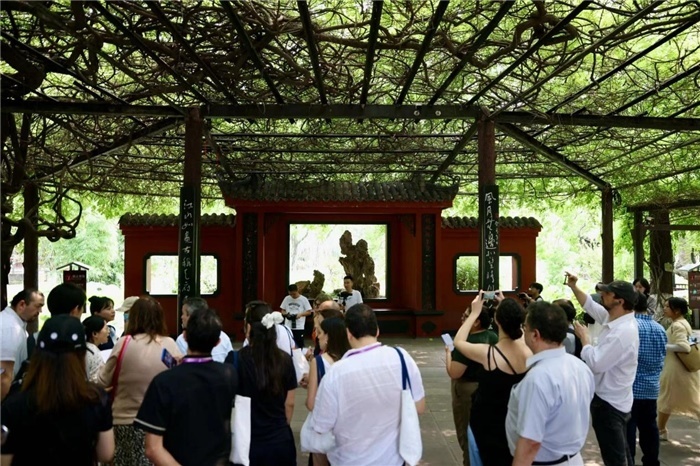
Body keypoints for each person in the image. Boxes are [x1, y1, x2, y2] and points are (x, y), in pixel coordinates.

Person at [312, 304, 426, 466]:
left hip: (350, 461)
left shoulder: (335, 373)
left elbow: (321, 426)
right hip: (393, 460)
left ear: (348, 333)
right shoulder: (402, 358)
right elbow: (419, 407)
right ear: (377, 330)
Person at [1, 314, 114, 465]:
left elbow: (4, 461)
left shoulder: (14, 403)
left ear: (37, 354)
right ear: (82, 354)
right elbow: (105, 454)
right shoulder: (96, 398)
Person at [135, 307, 238, 465]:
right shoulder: (229, 375)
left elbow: (153, 448)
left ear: (184, 336)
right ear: (218, 342)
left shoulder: (163, 382)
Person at [506, 301, 595, 466]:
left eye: (525, 327)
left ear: (535, 335)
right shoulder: (580, 367)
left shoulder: (537, 378)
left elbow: (531, 441)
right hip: (573, 459)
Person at [96, 296, 182, 466]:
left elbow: (102, 381)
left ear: (134, 317)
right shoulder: (169, 344)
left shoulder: (124, 343)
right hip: (160, 424)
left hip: (124, 422)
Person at [567, 274, 639, 466]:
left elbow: (596, 364)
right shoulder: (614, 318)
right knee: (621, 453)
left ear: (619, 301)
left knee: (615, 458)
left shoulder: (623, 331)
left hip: (609, 403)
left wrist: (585, 340)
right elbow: (589, 305)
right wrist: (574, 286)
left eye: (607, 293)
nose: (602, 295)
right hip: (613, 399)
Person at [454, 293, 531, 466]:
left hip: (487, 426)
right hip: (514, 421)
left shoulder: (489, 354)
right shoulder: (527, 349)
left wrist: (474, 313)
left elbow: (458, 341)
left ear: (496, 320)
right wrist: (506, 304)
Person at [230, 301, 297, 466]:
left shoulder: (236, 359)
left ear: (249, 328)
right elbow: (289, 403)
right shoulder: (285, 360)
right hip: (280, 440)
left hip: (247, 441)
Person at [445, 306, 497, 466]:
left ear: (476, 322)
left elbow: (454, 372)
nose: (462, 318)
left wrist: (448, 354)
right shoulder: (493, 336)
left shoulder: (466, 343)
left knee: (467, 434)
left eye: (466, 316)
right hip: (488, 388)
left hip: (467, 390)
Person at [627, 292, 666, 466]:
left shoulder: (630, 327)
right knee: (649, 429)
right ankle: (651, 461)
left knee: (628, 429)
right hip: (651, 388)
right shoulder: (659, 328)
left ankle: (628, 461)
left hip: (631, 387)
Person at [305, 317, 351, 466]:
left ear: (328, 336)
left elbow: (311, 403)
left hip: (324, 428)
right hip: (349, 427)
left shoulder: (319, 362)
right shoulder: (352, 360)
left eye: (320, 332)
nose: (317, 336)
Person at [657, 297, 700, 440]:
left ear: (676, 310)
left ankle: (661, 430)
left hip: (676, 370)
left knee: (667, 399)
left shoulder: (678, 326)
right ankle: (661, 430)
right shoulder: (682, 323)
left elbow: (684, 347)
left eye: (667, 307)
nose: (664, 309)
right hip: (680, 368)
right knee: (668, 400)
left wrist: (662, 346)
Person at [0, 289, 44, 400]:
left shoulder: (13, 324)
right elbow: (4, 377)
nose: (40, 311)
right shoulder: (11, 328)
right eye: (38, 306)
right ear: (22, 305)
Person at [175, 297, 233, 362]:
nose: (181, 317)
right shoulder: (224, 337)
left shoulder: (181, 339)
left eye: (183, 314)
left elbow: (183, 364)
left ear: (191, 316)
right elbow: (231, 361)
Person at [280, 284, 313, 350]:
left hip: (299, 326)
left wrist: (300, 315)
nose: (292, 296)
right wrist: (286, 314)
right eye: (291, 294)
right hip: (288, 325)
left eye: (294, 294)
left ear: (297, 291)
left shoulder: (303, 299)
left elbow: (309, 312)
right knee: (288, 343)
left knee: (299, 344)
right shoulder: (287, 298)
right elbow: (282, 310)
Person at [83, 315, 109, 382]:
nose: (108, 331)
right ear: (95, 334)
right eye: (106, 328)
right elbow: (95, 380)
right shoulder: (93, 351)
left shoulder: (85, 348)